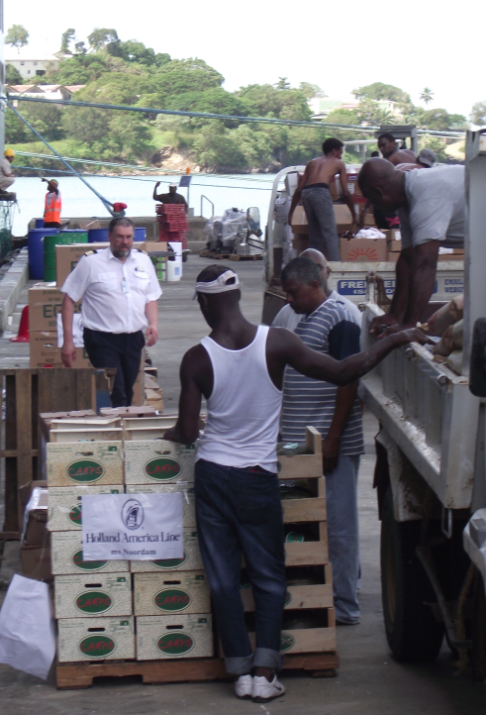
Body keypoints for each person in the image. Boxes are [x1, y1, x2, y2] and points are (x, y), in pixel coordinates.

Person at [162, 266, 426, 702]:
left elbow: (188, 432)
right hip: (255, 478)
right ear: (237, 296)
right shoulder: (277, 342)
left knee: (224, 579)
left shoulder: (196, 358)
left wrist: (162, 435)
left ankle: (238, 670)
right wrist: (393, 339)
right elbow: (344, 372)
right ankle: (265, 673)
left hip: (212, 476)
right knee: (268, 576)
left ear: (205, 303)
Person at [278, 257, 365, 625]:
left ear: (315, 284)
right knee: (309, 522)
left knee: (339, 524)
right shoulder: (303, 316)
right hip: (305, 442)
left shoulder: (340, 316)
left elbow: (348, 379)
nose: (291, 301)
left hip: (332, 445)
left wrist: (332, 438)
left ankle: (345, 606)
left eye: (295, 293)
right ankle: (321, 595)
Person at [358, 158, 466, 338]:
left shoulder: (426, 196)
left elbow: (425, 263)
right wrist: (393, 315)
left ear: (379, 193)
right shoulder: (406, 199)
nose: (375, 206)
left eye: (372, 200)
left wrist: (409, 324)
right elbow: (408, 259)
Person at [59, 218, 160, 406]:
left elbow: (151, 297)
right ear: (109, 237)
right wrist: (68, 341)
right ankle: (119, 430)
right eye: (120, 237)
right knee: (117, 392)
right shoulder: (91, 262)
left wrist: (153, 324)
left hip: (133, 339)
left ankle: (118, 427)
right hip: (101, 339)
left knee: (127, 391)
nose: (125, 242)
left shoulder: (143, 260)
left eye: (129, 237)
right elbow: (69, 300)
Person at [288, 137, 358, 262]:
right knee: (330, 235)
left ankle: (314, 269)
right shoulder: (339, 164)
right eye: (340, 153)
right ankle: (335, 269)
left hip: (306, 194)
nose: (341, 157)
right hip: (321, 192)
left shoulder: (312, 163)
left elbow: (299, 189)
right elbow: (346, 192)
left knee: (315, 237)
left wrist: (290, 213)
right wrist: (353, 213)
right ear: (334, 151)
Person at [271, 249, 362, 331]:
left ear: (328, 272)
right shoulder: (287, 313)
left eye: (318, 268)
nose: (313, 273)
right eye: (305, 270)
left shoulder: (348, 313)